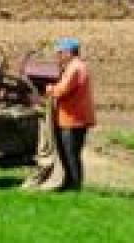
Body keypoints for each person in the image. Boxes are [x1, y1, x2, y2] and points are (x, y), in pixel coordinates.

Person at [45, 37, 96, 191]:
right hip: (72, 117)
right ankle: (68, 183)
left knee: (71, 154)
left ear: (69, 52)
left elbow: (62, 90)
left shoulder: (75, 68)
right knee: (67, 153)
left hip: (74, 119)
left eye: (60, 53)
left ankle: (74, 186)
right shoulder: (76, 67)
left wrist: (49, 89)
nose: (58, 56)